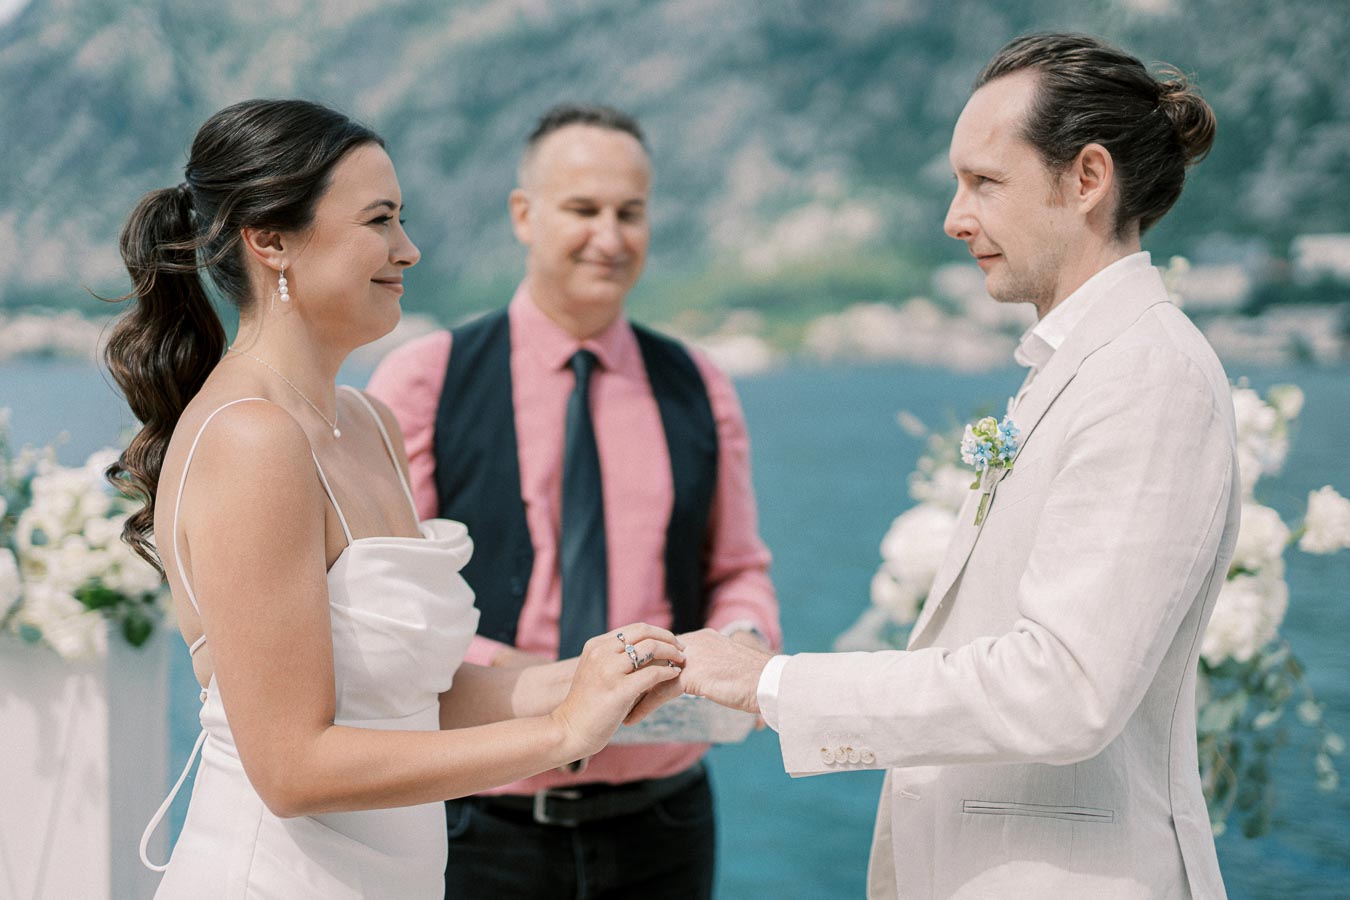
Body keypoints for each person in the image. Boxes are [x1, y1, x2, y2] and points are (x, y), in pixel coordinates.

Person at [679, 33, 1236, 899]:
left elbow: (1066, 687)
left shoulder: (1148, 375)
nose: (954, 216)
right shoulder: (1082, 367)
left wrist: (771, 684)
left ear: (1087, 179)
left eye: (984, 181)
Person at [104, 98, 684, 899]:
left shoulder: (369, 423)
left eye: (401, 220)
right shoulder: (251, 439)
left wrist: (604, 676)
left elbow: (417, 698)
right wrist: (559, 734)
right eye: (379, 220)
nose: (407, 249)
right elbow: (292, 769)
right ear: (270, 240)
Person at [367, 103, 780, 899]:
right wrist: (544, 680)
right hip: (477, 821)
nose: (610, 237)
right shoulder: (425, 380)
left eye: (630, 212)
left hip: (665, 822)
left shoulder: (699, 385)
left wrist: (744, 639)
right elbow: (394, 606)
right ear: (524, 215)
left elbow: (737, 566)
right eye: (584, 209)